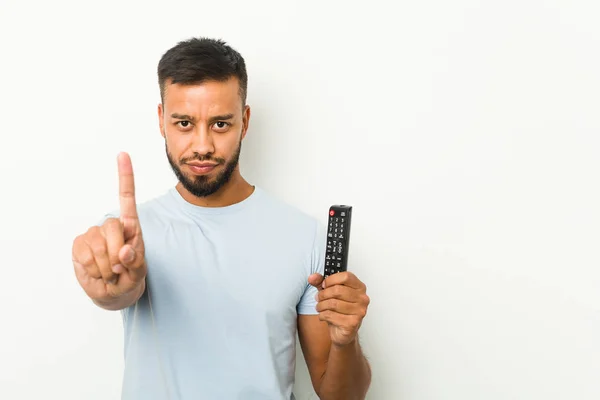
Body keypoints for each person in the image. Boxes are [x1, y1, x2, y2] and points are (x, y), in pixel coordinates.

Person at [71, 37, 372, 400]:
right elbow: (119, 291)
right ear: (161, 121)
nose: (202, 146)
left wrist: (345, 340)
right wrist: (113, 290)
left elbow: (341, 395)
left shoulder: (304, 236)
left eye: (220, 124)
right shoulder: (127, 237)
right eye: (183, 123)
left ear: (244, 122)